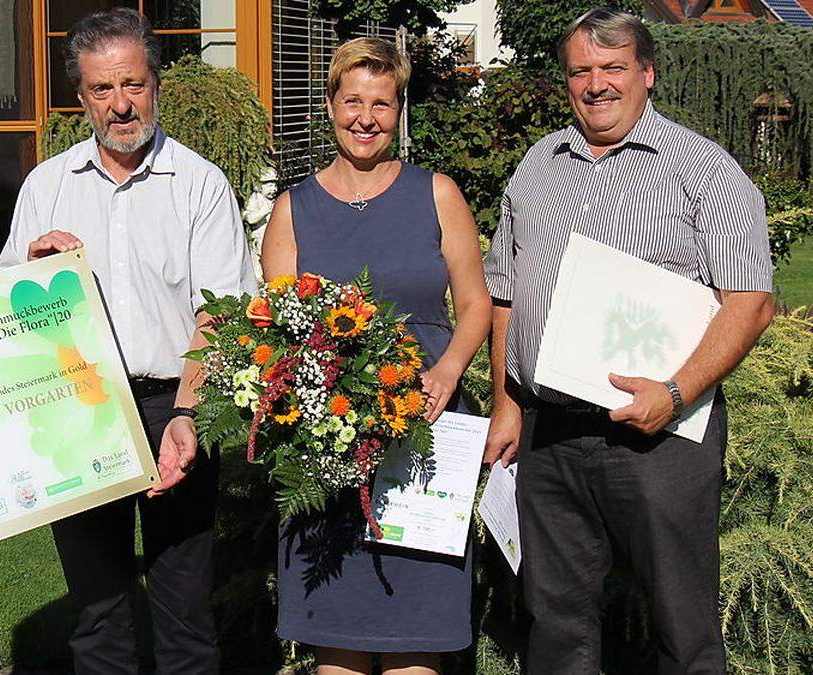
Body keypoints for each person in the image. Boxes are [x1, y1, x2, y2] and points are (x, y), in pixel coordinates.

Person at [483, 8, 776, 674]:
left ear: (646, 74)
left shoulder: (703, 170)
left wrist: (676, 393)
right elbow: (504, 291)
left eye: (613, 67)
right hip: (549, 432)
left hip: (659, 438)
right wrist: (506, 400)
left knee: (683, 626)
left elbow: (750, 303)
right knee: (555, 624)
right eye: (581, 70)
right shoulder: (538, 165)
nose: (596, 84)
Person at [0, 8, 256, 674]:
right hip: (77, 410)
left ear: (156, 84)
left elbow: (222, 312)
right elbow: (1, 312)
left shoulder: (200, 184)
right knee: (97, 613)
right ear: (81, 98)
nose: (120, 104)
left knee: (185, 611)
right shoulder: (45, 186)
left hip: (177, 403)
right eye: (102, 90)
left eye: (133, 85)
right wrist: (31, 268)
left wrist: (190, 413)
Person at [260, 37, 492, 674]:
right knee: (339, 635)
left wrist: (447, 371)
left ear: (399, 110)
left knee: (418, 638)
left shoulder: (436, 194)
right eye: (353, 100)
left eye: (382, 104)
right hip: (328, 449)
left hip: (428, 433)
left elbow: (475, 304)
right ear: (330, 103)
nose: (366, 118)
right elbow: (280, 332)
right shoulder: (292, 211)